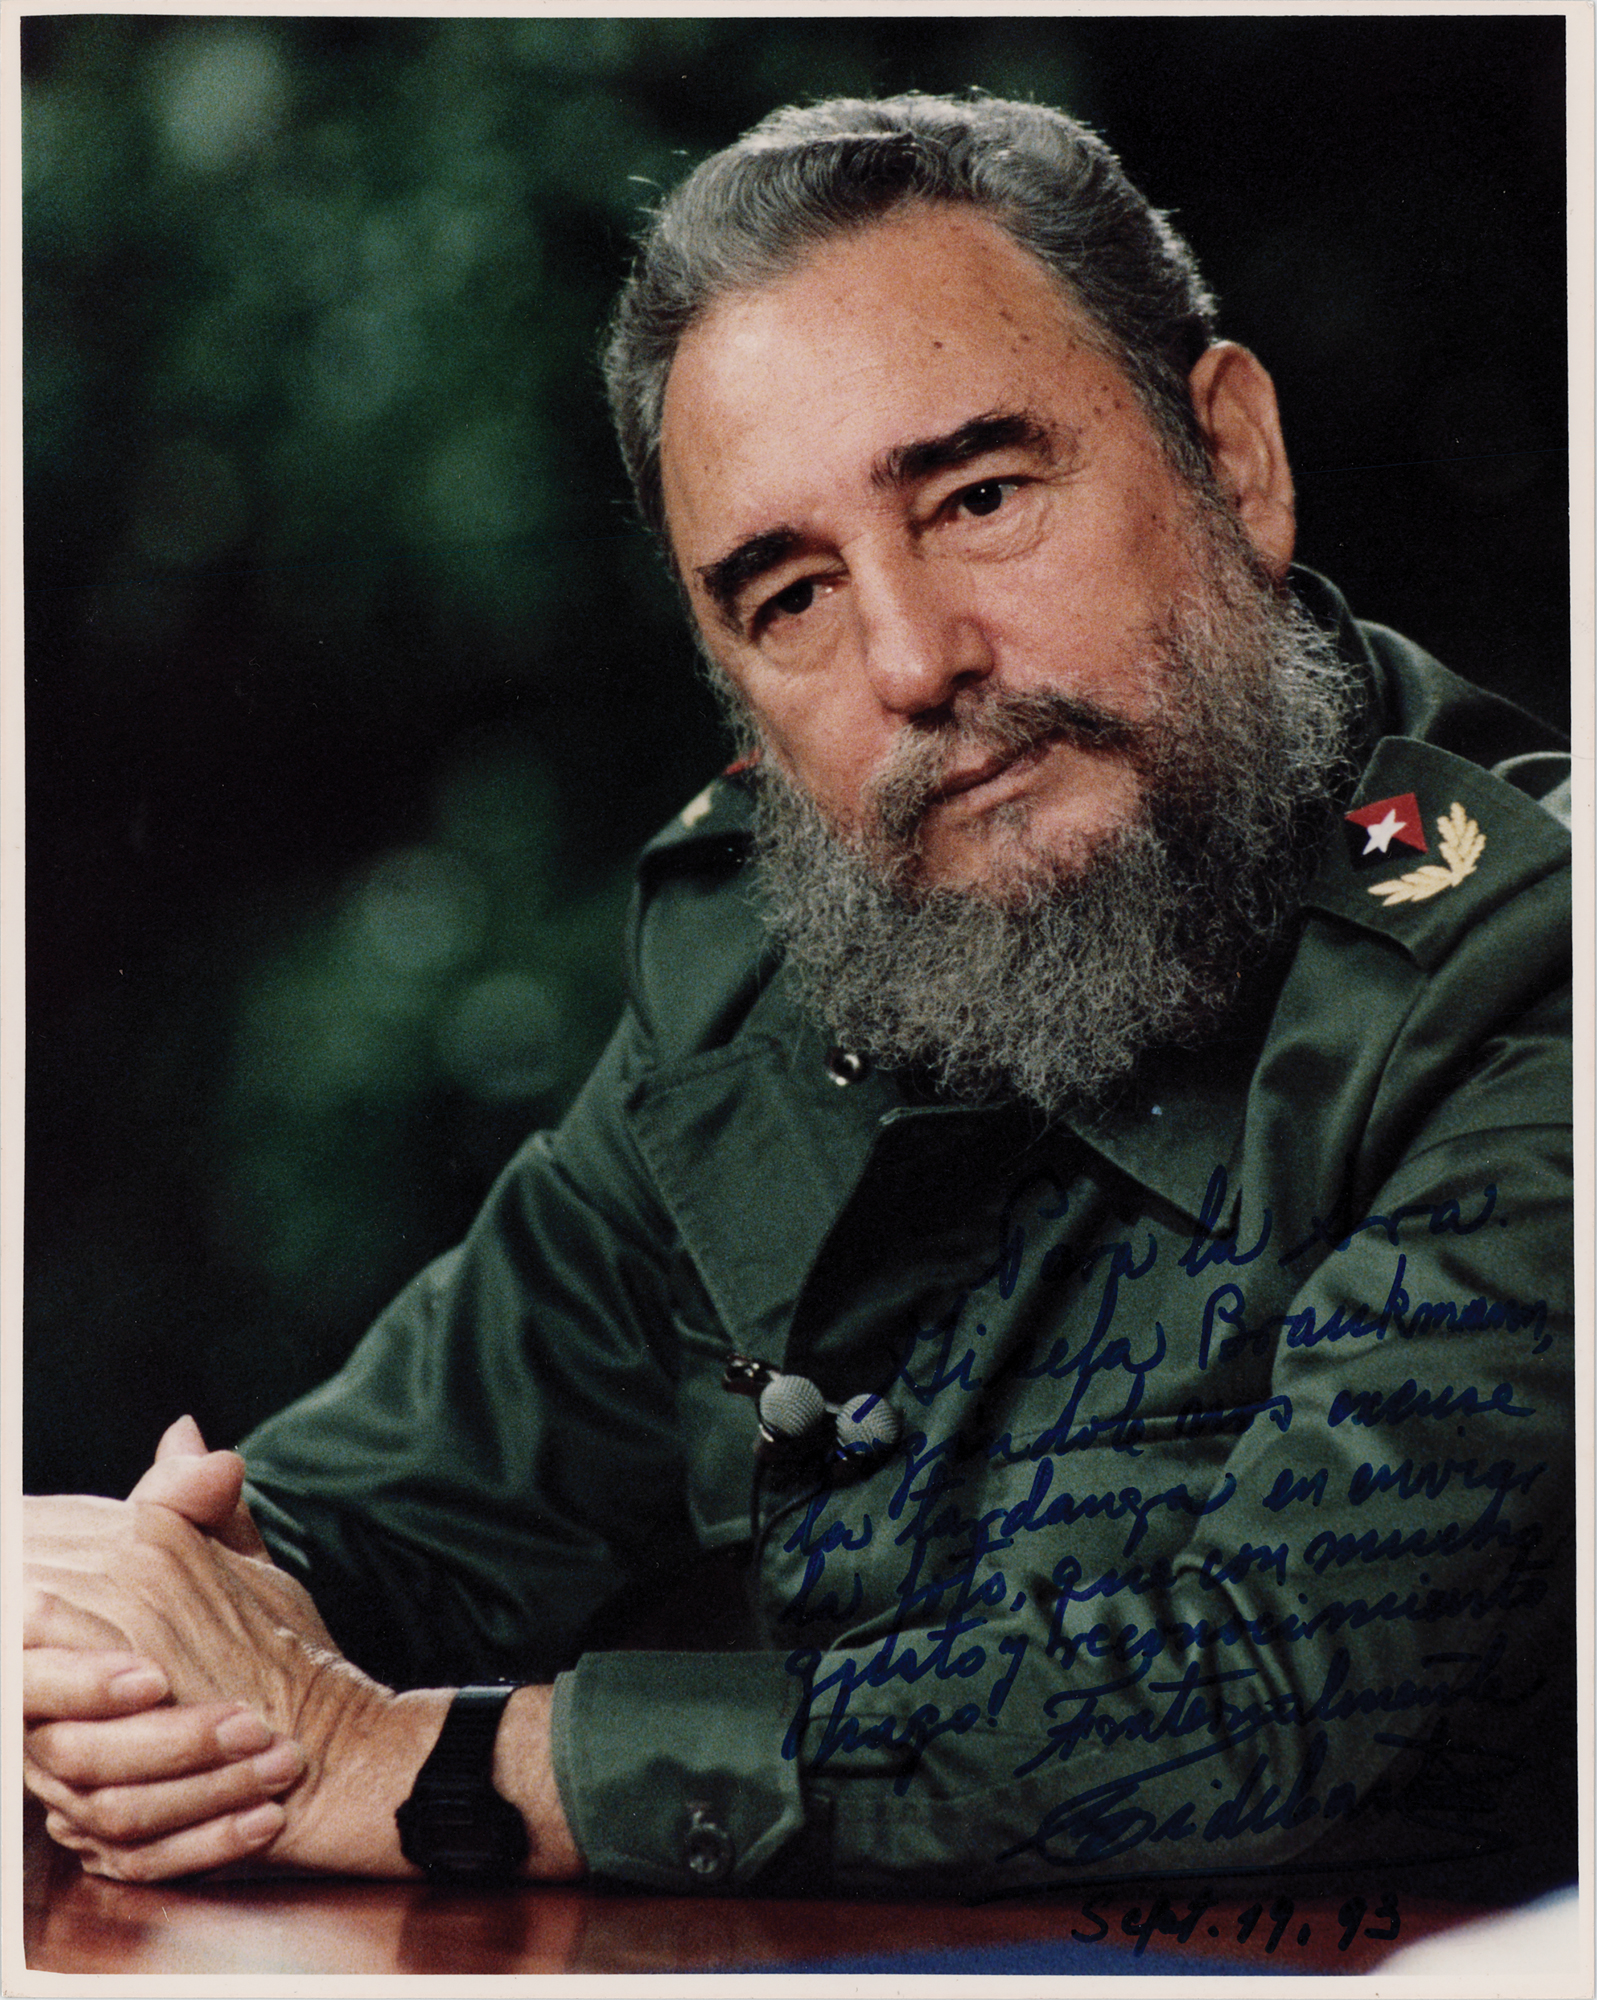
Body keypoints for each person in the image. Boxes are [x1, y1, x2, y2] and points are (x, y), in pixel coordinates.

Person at [24, 93, 1573, 1903]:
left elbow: (1260, 1696)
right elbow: (375, 1515)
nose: (913, 662)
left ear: (1230, 459)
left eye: (980, 499)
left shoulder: (1525, 974)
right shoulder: (776, 977)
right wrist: (132, 1654)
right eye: (791, 597)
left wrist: (419, 1766)